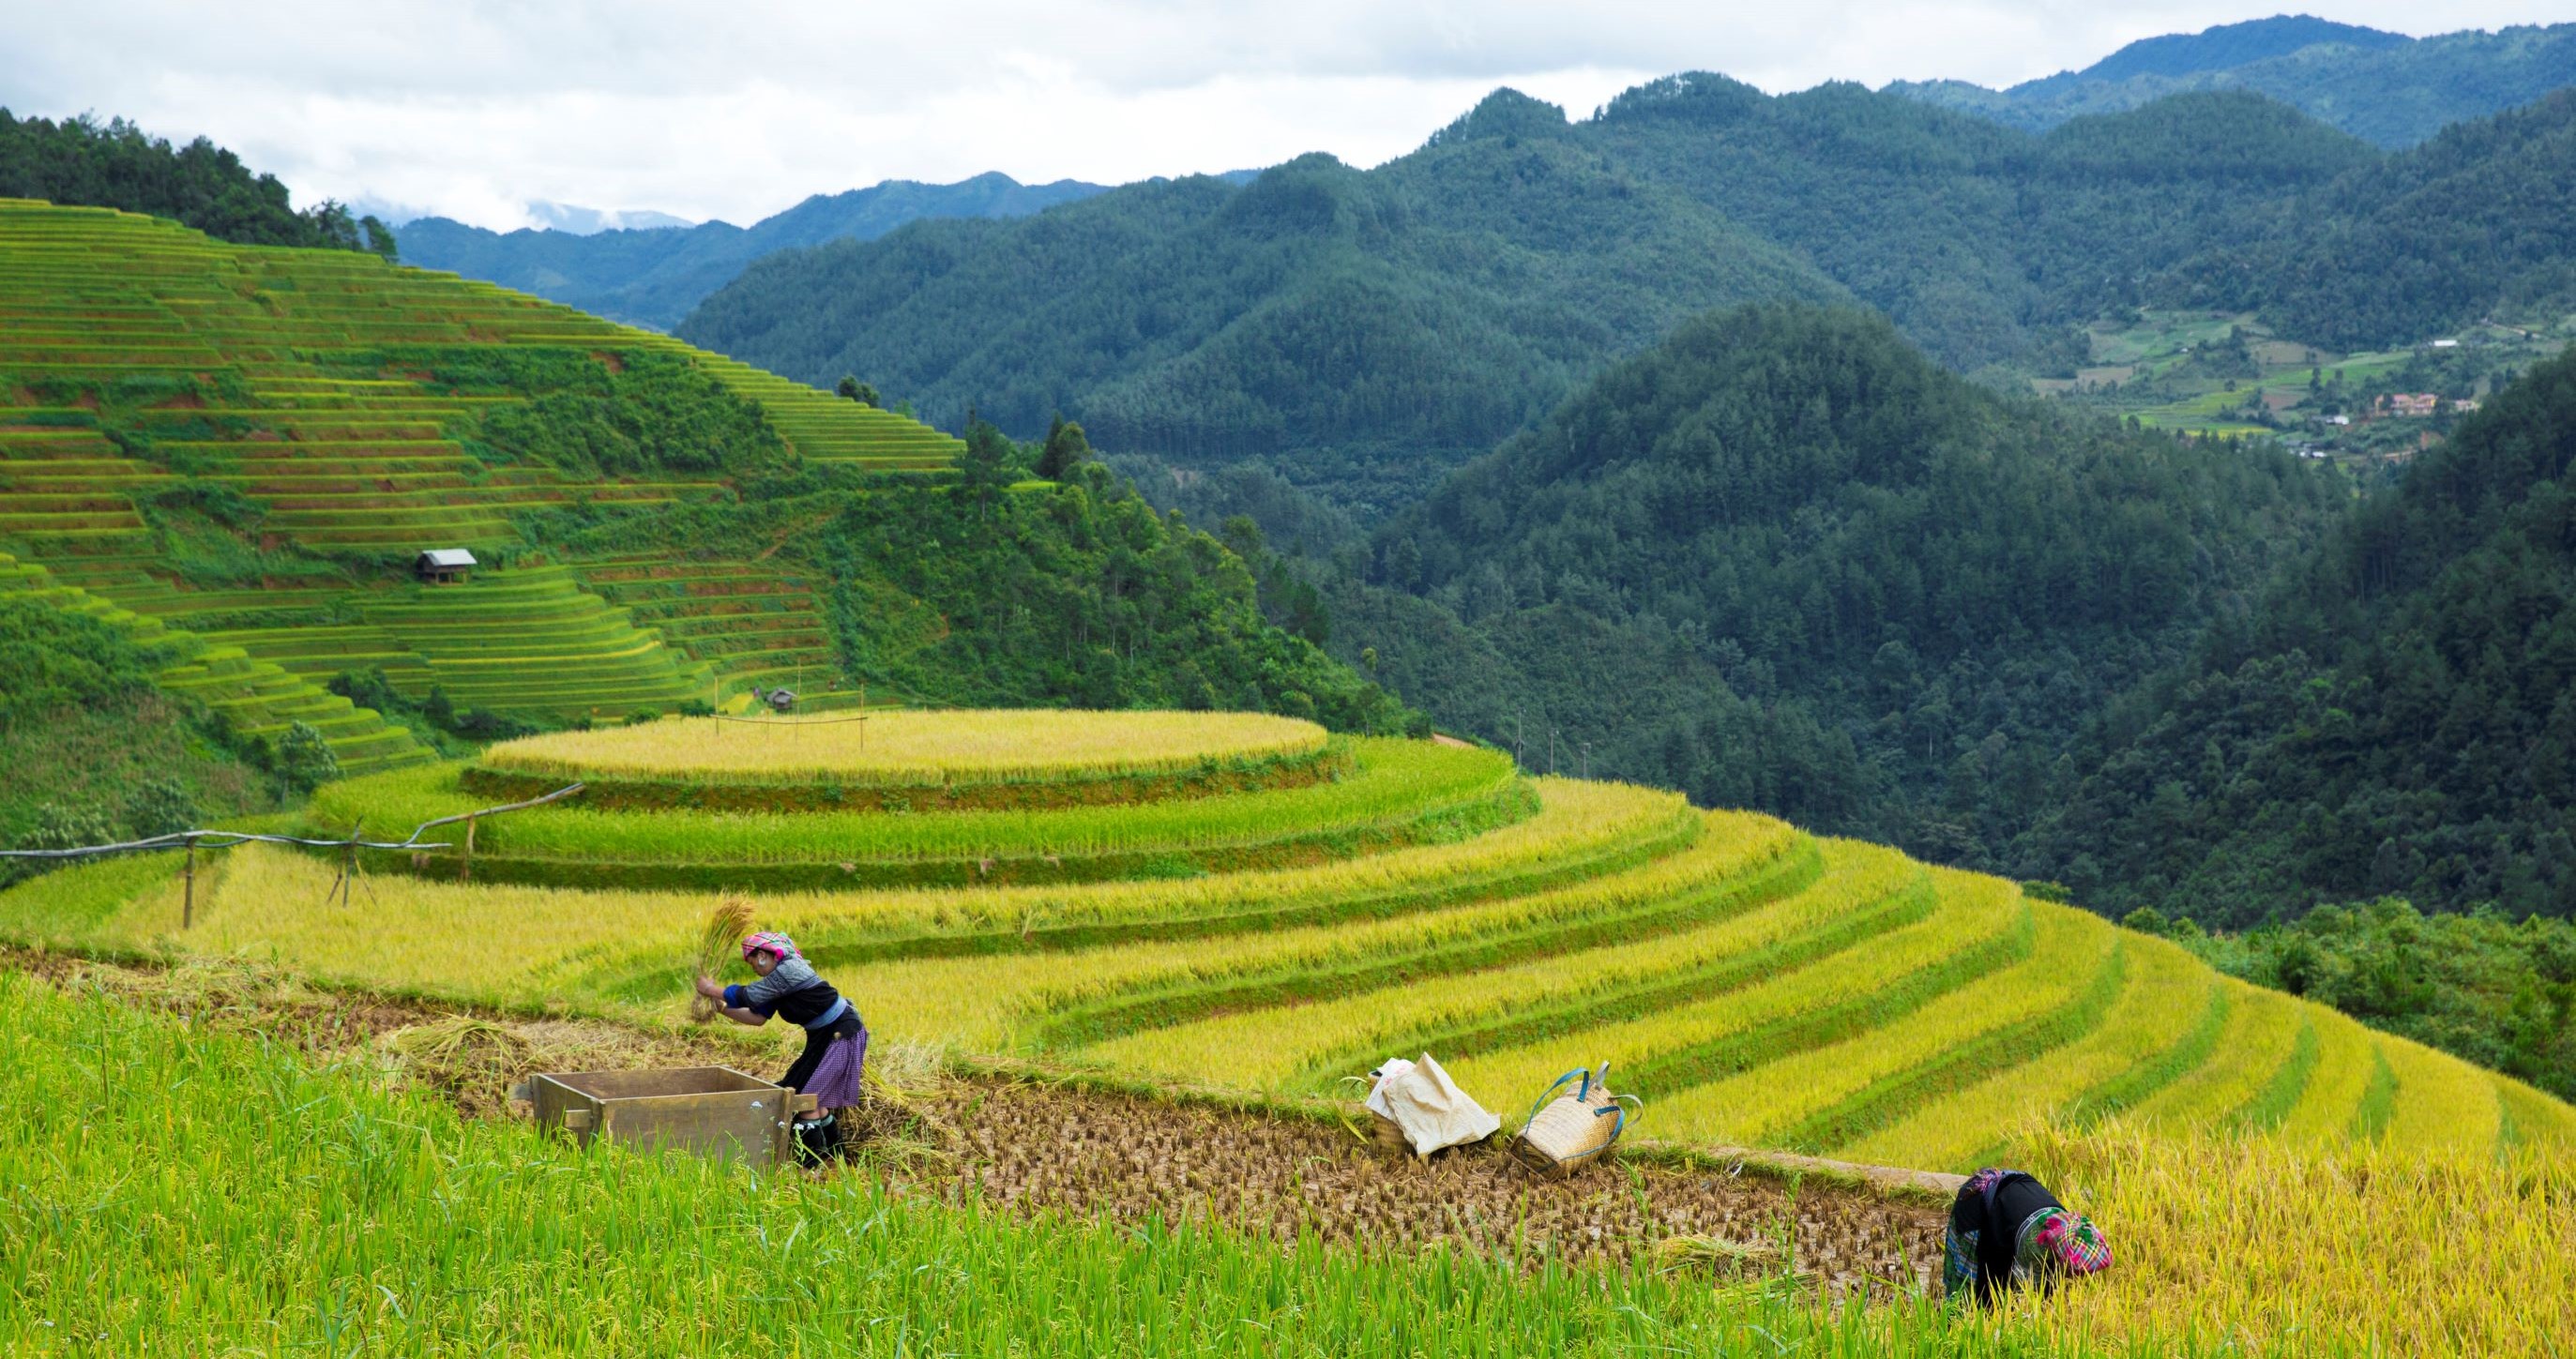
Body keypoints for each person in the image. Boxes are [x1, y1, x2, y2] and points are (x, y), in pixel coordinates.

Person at [694, 930, 867, 1166]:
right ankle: (835, 1160)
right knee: (810, 1098)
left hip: (841, 1034)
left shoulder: (789, 970)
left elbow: (747, 995)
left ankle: (811, 1168)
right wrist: (721, 1008)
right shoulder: (776, 984)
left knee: (804, 1099)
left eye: (752, 962)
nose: (754, 969)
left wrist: (710, 989)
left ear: (762, 955)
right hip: (823, 1038)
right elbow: (757, 1018)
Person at [1944, 1168, 2111, 1304]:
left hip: (2012, 1191)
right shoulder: (2035, 1244)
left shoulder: (2065, 1225)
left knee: (2003, 1276)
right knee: (1969, 1291)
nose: (2078, 1277)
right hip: (1975, 1200)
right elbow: (2024, 1300)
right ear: (2067, 1260)